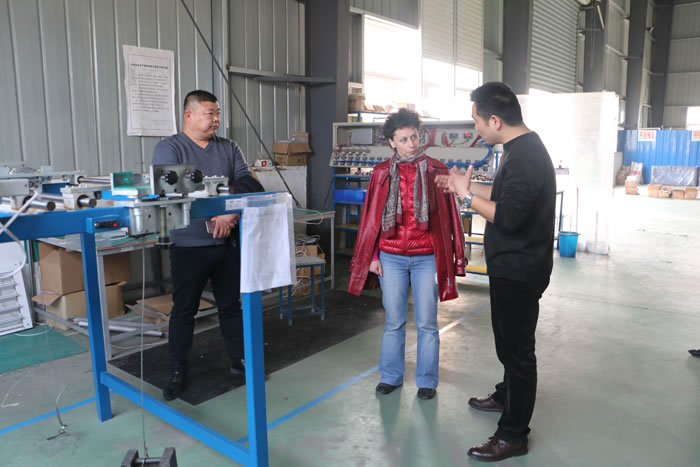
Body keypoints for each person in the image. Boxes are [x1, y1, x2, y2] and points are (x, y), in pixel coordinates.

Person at [437, 82, 556, 462]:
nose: (476, 129)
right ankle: (507, 395)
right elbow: (507, 198)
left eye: (477, 121)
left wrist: (466, 196)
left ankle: (513, 435)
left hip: (520, 270)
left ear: (495, 120)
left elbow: (509, 216)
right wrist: (466, 186)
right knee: (507, 342)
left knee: (518, 351)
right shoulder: (520, 150)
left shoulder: (525, 157)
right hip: (514, 266)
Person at [348, 108, 466, 400]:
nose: (411, 144)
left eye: (414, 137)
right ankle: (390, 376)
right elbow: (371, 218)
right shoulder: (380, 173)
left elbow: (450, 218)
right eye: (403, 139)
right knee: (394, 322)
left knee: (427, 322)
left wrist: (453, 257)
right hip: (390, 256)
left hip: (426, 256)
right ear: (391, 142)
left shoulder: (437, 170)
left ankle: (427, 381)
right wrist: (372, 256)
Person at [153, 90, 263, 401]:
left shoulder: (228, 147)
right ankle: (177, 370)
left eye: (218, 113)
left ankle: (240, 359)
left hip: (226, 243)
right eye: (209, 113)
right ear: (189, 115)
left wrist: (229, 213)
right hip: (188, 244)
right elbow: (173, 189)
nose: (216, 119)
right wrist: (220, 205)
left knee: (231, 305)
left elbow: (249, 182)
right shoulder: (170, 147)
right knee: (184, 310)